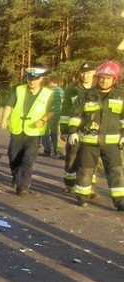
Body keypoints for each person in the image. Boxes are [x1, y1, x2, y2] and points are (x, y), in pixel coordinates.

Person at [67, 60, 124, 210]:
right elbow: (75, 115)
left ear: (114, 79)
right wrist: (72, 132)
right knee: (85, 171)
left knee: (116, 172)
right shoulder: (86, 95)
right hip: (88, 141)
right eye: (101, 77)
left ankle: (120, 202)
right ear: (97, 78)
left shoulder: (120, 96)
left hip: (111, 143)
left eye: (108, 78)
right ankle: (81, 197)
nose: (104, 80)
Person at [0, 66, 54, 196]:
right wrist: (4, 120)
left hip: (34, 132)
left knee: (28, 158)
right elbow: (9, 106)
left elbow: (52, 111)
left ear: (41, 79)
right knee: (13, 156)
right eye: (30, 78)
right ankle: (16, 177)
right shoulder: (19, 90)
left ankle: (23, 186)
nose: (31, 81)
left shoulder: (48, 94)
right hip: (18, 129)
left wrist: (43, 120)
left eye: (35, 79)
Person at [59, 62, 97, 192]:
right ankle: (69, 184)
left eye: (88, 72)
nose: (84, 75)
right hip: (74, 129)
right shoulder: (72, 89)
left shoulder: (99, 88)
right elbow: (65, 111)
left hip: (93, 130)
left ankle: (88, 186)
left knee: (91, 159)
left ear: (94, 72)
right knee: (72, 157)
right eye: (82, 72)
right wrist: (64, 131)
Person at [40, 76, 64, 156]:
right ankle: (55, 149)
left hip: (49, 112)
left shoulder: (48, 90)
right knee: (54, 131)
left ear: (51, 82)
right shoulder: (61, 90)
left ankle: (47, 149)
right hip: (58, 112)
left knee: (45, 131)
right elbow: (62, 101)